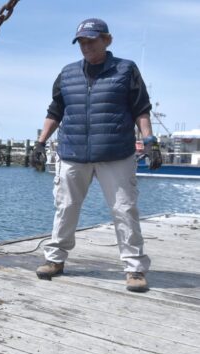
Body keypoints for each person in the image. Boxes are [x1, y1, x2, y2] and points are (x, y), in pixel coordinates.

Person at [30, 19, 162, 293]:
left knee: (124, 210)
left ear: (107, 40)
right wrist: (40, 144)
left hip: (115, 154)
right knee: (65, 208)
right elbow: (55, 111)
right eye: (81, 41)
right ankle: (55, 260)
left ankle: (135, 268)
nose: (86, 46)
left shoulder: (126, 70)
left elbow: (141, 109)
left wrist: (151, 143)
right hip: (72, 153)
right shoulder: (67, 74)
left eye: (91, 40)